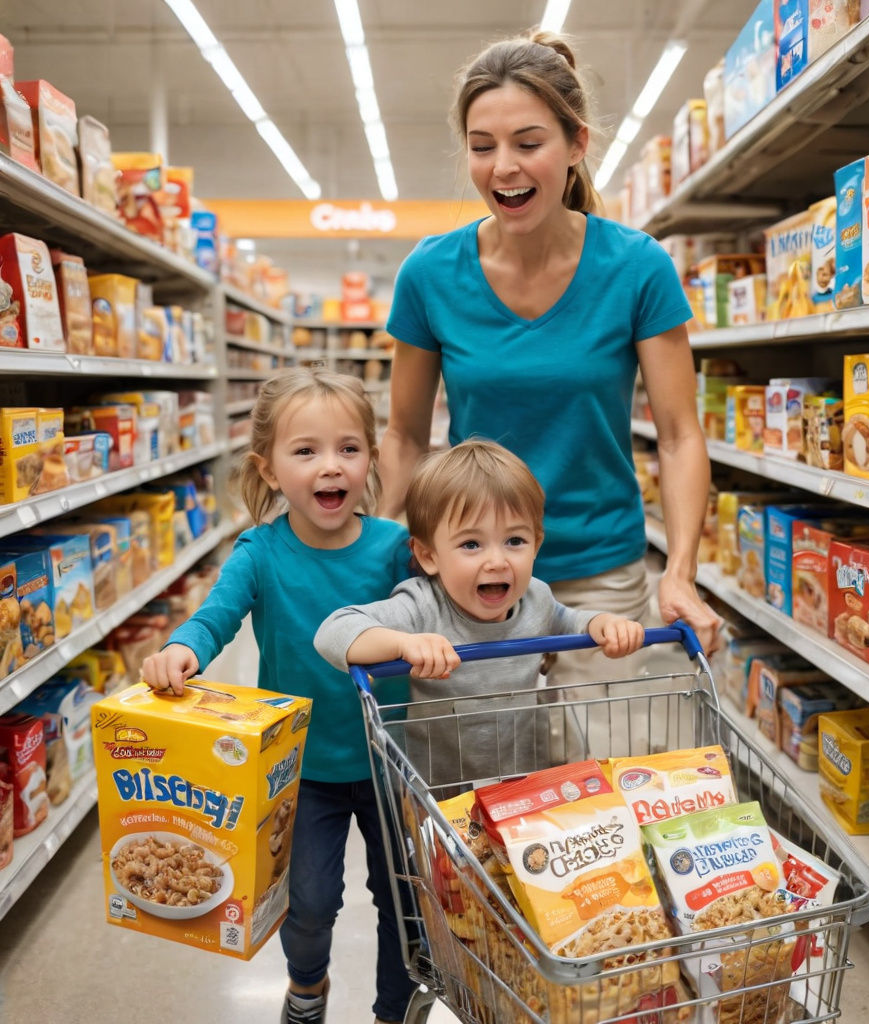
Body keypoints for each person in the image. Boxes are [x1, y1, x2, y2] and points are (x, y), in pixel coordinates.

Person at [378, 29, 722, 699]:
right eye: (482, 148)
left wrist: (680, 570)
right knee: (484, 776)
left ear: (576, 145)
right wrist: (385, 545)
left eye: (528, 144)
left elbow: (680, 436)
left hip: (600, 572)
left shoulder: (635, 267)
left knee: (598, 784)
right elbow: (405, 436)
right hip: (471, 574)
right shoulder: (430, 274)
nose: (503, 166)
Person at [141, 367, 415, 1024]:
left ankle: (396, 1009)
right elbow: (216, 615)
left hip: (393, 761)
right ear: (268, 470)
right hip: (303, 767)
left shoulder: (395, 547)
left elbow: (444, 603)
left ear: (372, 460)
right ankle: (308, 985)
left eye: (349, 449)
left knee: (404, 899)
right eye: (307, 450)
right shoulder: (260, 552)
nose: (331, 467)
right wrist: (184, 647)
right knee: (311, 899)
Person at [313, 439, 646, 784]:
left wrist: (603, 624)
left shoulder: (536, 597)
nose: (497, 561)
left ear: (537, 543)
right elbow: (333, 631)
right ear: (428, 556)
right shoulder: (423, 605)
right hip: (441, 789)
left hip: (522, 776)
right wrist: (402, 644)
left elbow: (569, 621)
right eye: (471, 544)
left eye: (515, 541)